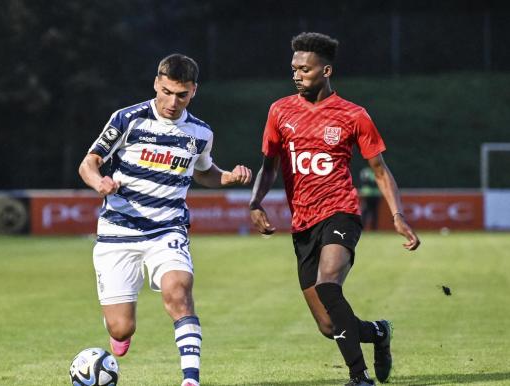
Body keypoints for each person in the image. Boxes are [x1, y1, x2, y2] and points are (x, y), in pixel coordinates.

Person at [249, 32, 420, 386]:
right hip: (303, 224)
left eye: (305, 69)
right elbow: (269, 166)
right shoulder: (280, 111)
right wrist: (255, 202)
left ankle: (360, 378)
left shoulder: (353, 115)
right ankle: (378, 333)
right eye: (294, 68)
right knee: (329, 326)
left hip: (340, 212)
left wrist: (398, 215)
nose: (296, 74)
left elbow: (380, 170)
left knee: (329, 285)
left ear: (326, 71)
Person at [79, 53, 252, 386]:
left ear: (193, 92)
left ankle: (190, 379)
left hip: (167, 229)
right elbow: (89, 162)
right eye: (168, 91)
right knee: (121, 327)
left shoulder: (200, 133)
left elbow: (204, 172)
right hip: (118, 230)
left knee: (178, 292)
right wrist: (99, 180)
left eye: (182, 95)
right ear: (157, 83)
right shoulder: (128, 119)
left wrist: (227, 178)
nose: (173, 101)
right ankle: (118, 329)